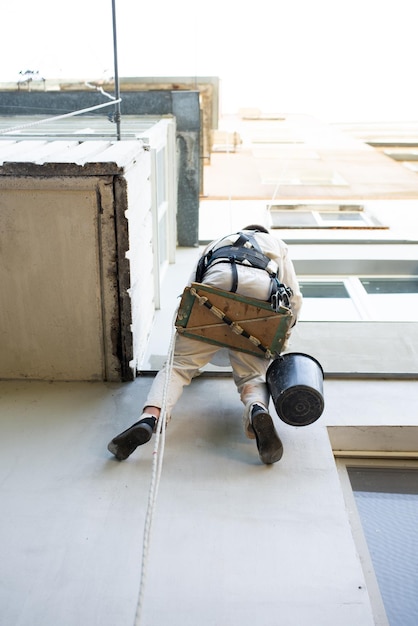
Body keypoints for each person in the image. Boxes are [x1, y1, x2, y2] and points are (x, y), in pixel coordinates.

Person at [108, 225, 303, 465]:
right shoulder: (276, 244)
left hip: (215, 285)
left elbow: (193, 282)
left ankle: (150, 417)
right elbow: (293, 296)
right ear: (263, 232)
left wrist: (185, 326)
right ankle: (257, 409)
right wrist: (281, 339)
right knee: (253, 375)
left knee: (178, 367)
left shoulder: (219, 241)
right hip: (261, 294)